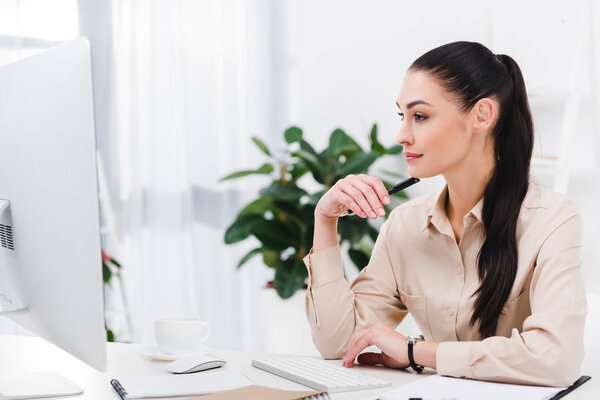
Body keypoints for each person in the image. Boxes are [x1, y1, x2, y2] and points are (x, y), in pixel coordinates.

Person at [304, 41, 586, 387]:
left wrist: (416, 353)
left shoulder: (552, 219)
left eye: (419, 116)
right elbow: (338, 344)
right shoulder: (405, 225)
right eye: (402, 116)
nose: (401, 136)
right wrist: (325, 220)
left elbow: (556, 360)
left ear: (481, 115)